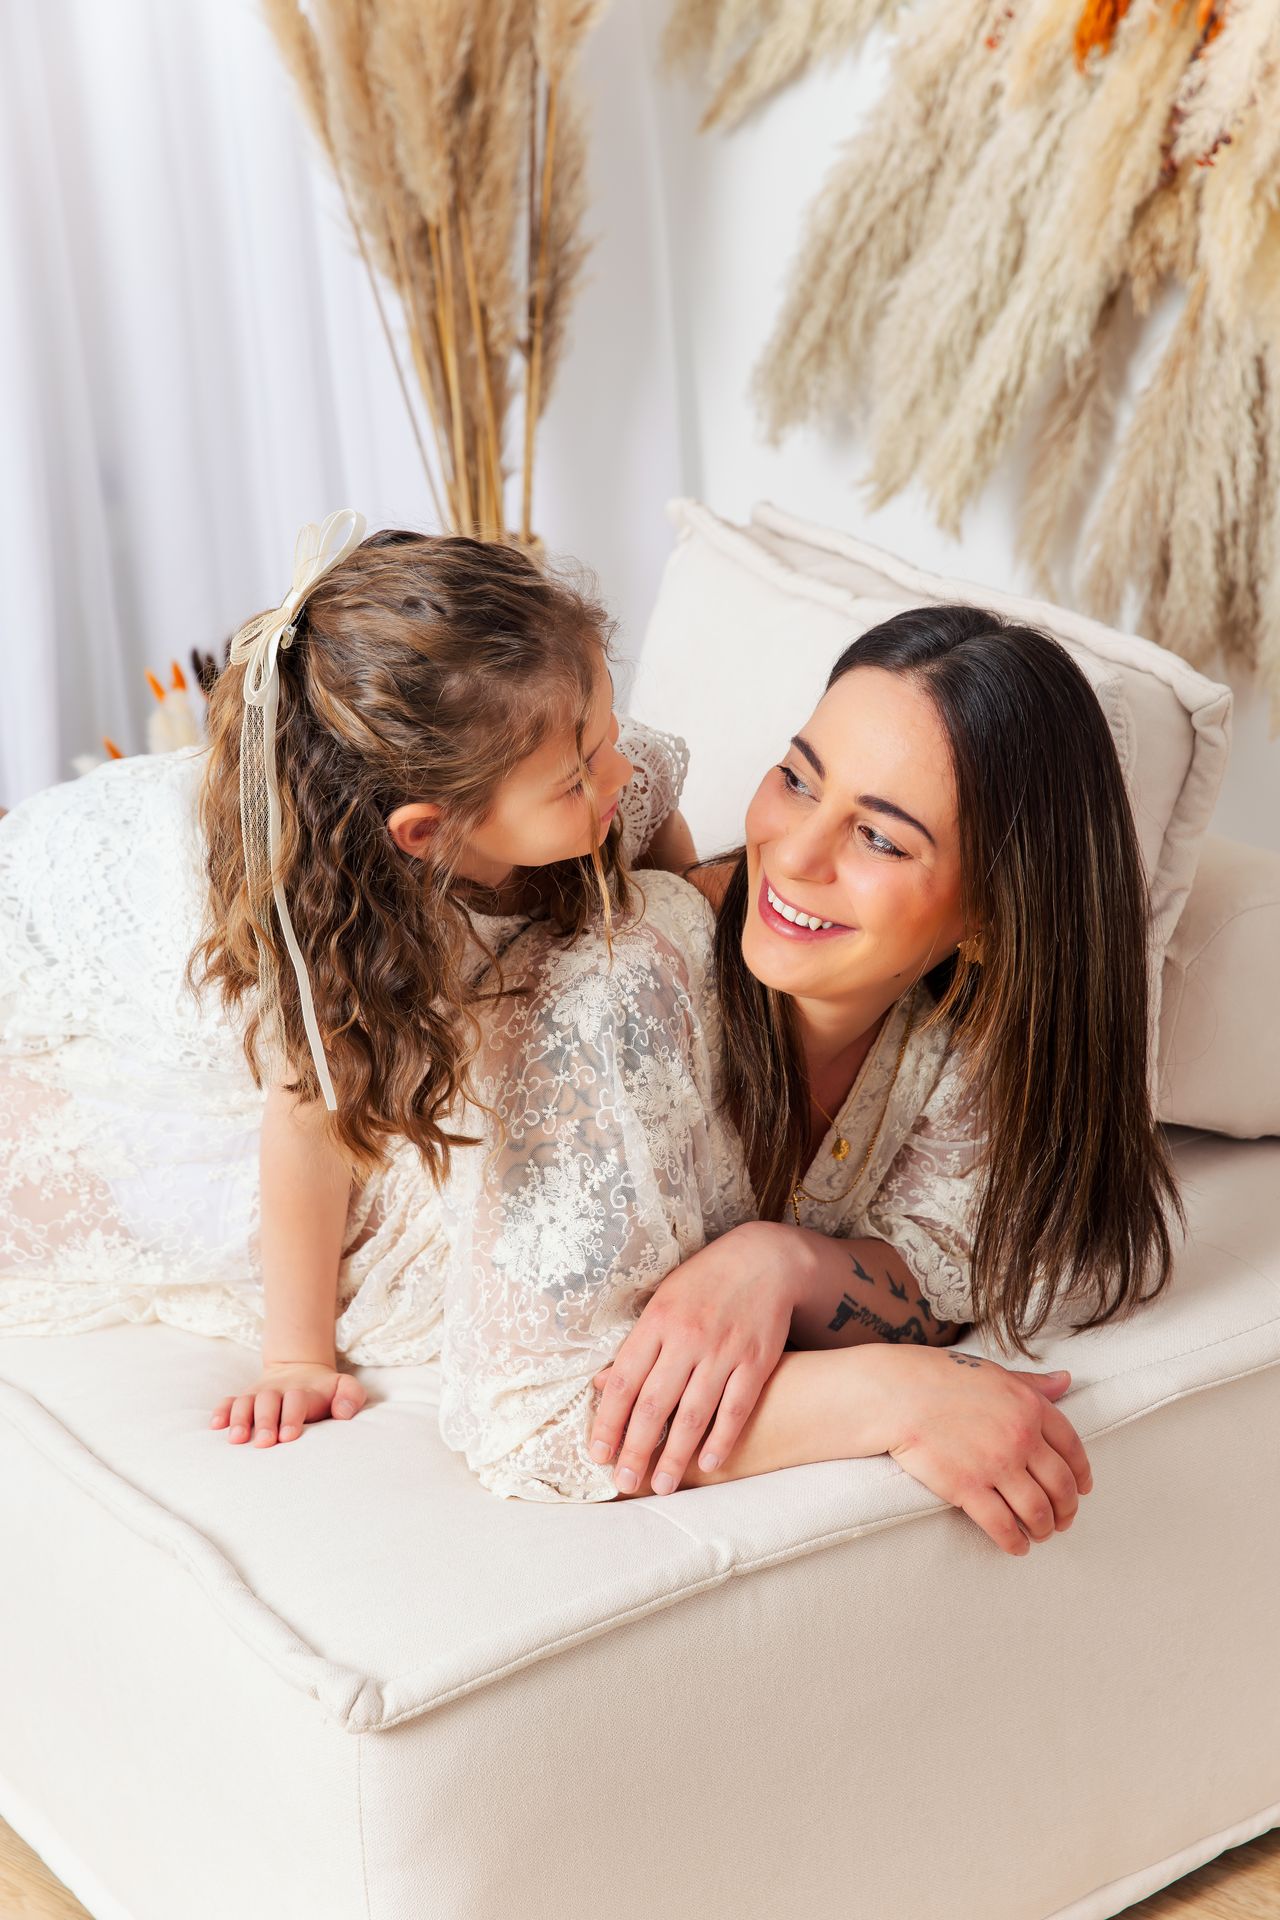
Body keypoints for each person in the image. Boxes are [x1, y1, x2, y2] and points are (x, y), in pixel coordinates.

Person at [437, 607, 1182, 1557]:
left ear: (991, 917)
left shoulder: (954, 1035)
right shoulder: (632, 978)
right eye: (797, 779)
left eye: (880, 838)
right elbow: (532, 1420)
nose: (790, 854)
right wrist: (893, 1396)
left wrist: (781, 1263)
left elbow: (1017, 1261)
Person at [0, 515, 693, 1437]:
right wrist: (298, 1358)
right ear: (429, 830)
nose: (618, 773)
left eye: (605, 734)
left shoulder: (586, 761)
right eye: (577, 779)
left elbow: (664, 864)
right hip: (89, 889)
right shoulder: (350, 930)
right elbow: (313, 1118)